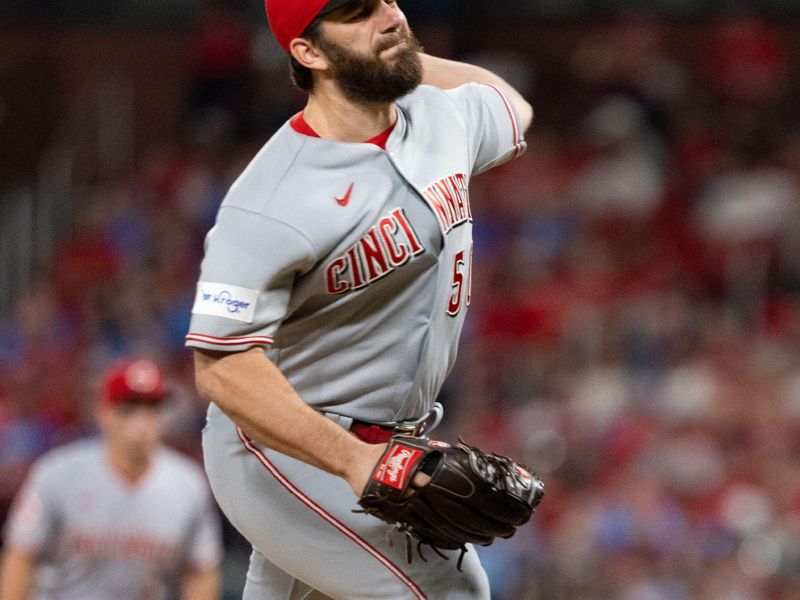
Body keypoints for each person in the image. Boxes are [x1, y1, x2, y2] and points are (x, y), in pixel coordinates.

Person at [187, 0, 533, 597]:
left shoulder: (439, 118)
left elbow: (512, 107)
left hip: (394, 437)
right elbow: (222, 368)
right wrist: (353, 461)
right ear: (309, 52)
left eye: (385, 1)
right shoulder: (268, 199)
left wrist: (399, 57)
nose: (389, 16)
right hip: (285, 447)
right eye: (357, 13)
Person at [0, 358, 223, 600]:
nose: (142, 421)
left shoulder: (187, 484)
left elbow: (200, 571)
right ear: (103, 413)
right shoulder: (57, 473)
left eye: (152, 408)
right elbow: (21, 556)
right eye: (129, 409)